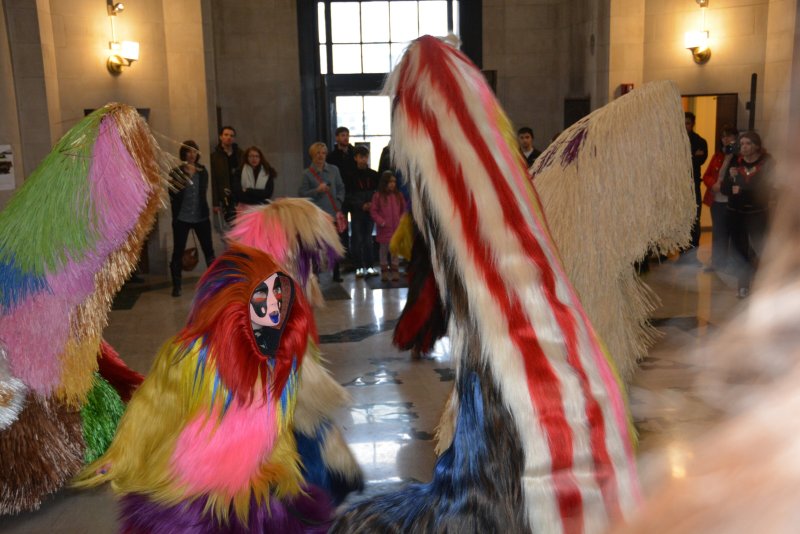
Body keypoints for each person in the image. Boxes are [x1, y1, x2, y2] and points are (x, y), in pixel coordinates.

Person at [720, 131, 773, 298]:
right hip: (736, 214)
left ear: (756, 146)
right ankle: (743, 286)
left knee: (760, 250)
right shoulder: (736, 162)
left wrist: (742, 191)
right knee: (740, 251)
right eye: (741, 144)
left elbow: (767, 190)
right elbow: (725, 189)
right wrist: (730, 179)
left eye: (748, 143)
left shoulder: (767, 163)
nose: (744, 147)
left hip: (757, 214)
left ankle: (765, 283)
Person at [168, 140, 216, 297]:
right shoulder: (176, 172)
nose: (192, 155)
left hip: (201, 216)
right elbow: (173, 193)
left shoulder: (203, 171)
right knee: (178, 251)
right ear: (184, 154)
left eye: (195, 151)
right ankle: (177, 285)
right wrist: (185, 175)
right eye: (189, 151)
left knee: (208, 250)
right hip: (182, 217)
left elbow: (202, 192)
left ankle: (214, 284)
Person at [299, 142, 346, 282]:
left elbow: (341, 187)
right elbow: (301, 194)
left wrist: (338, 201)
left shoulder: (334, 170)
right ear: (312, 155)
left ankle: (336, 272)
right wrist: (316, 191)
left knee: (335, 243)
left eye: (323, 153)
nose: (321, 156)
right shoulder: (306, 174)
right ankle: (316, 272)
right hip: (316, 214)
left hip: (332, 212)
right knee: (315, 244)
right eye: (318, 153)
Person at [701, 125, 738, 272]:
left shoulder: (739, 157)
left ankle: (733, 264)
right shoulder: (717, 156)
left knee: (734, 233)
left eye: (729, 136)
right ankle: (717, 263)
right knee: (718, 233)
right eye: (723, 136)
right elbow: (706, 176)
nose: (725, 139)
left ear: (736, 138)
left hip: (733, 201)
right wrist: (713, 185)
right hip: (716, 200)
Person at [347, 145, 379, 278]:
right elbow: (349, 195)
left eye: (365, 157)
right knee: (357, 238)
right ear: (355, 158)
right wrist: (361, 205)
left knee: (368, 239)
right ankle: (359, 267)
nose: (363, 160)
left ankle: (370, 266)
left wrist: (372, 204)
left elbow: (377, 193)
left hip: (370, 210)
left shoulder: (373, 174)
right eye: (361, 157)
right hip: (357, 211)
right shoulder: (350, 175)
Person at [370, 171, 407, 282]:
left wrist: (401, 220)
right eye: (390, 182)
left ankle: (395, 272)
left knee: (395, 251)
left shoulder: (398, 195)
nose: (392, 184)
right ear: (384, 182)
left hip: (396, 229)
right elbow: (373, 211)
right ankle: (384, 272)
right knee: (383, 251)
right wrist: (381, 222)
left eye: (394, 182)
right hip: (384, 229)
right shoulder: (378, 196)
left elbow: (404, 210)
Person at [327, 127, 357, 258]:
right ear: (337, 138)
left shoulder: (354, 153)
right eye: (342, 135)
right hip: (340, 196)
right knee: (341, 228)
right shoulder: (332, 156)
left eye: (347, 135)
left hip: (354, 193)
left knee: (357, 227)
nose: (345, 138)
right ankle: (344, 257)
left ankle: (356, 259)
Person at [684, 112, 709, 256]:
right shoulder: (673, 140)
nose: (685, 126)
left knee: (694, 217)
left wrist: (691, 157)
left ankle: (693, 251)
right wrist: (693, 155)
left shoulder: (700, 141)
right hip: (677, 187)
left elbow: (698, 161)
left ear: (692, 124)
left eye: (687, 123)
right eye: (683, 123)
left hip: (693, 185)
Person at [209, 125, 244, 223]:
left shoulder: (241, 154)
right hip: (224, 197)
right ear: (221, 137)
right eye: (226, 135)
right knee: (228, 226)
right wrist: (215, 203)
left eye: (232, 136)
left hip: (239, 196)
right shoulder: (214, 157)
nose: (229, 137)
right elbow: (213, 181)